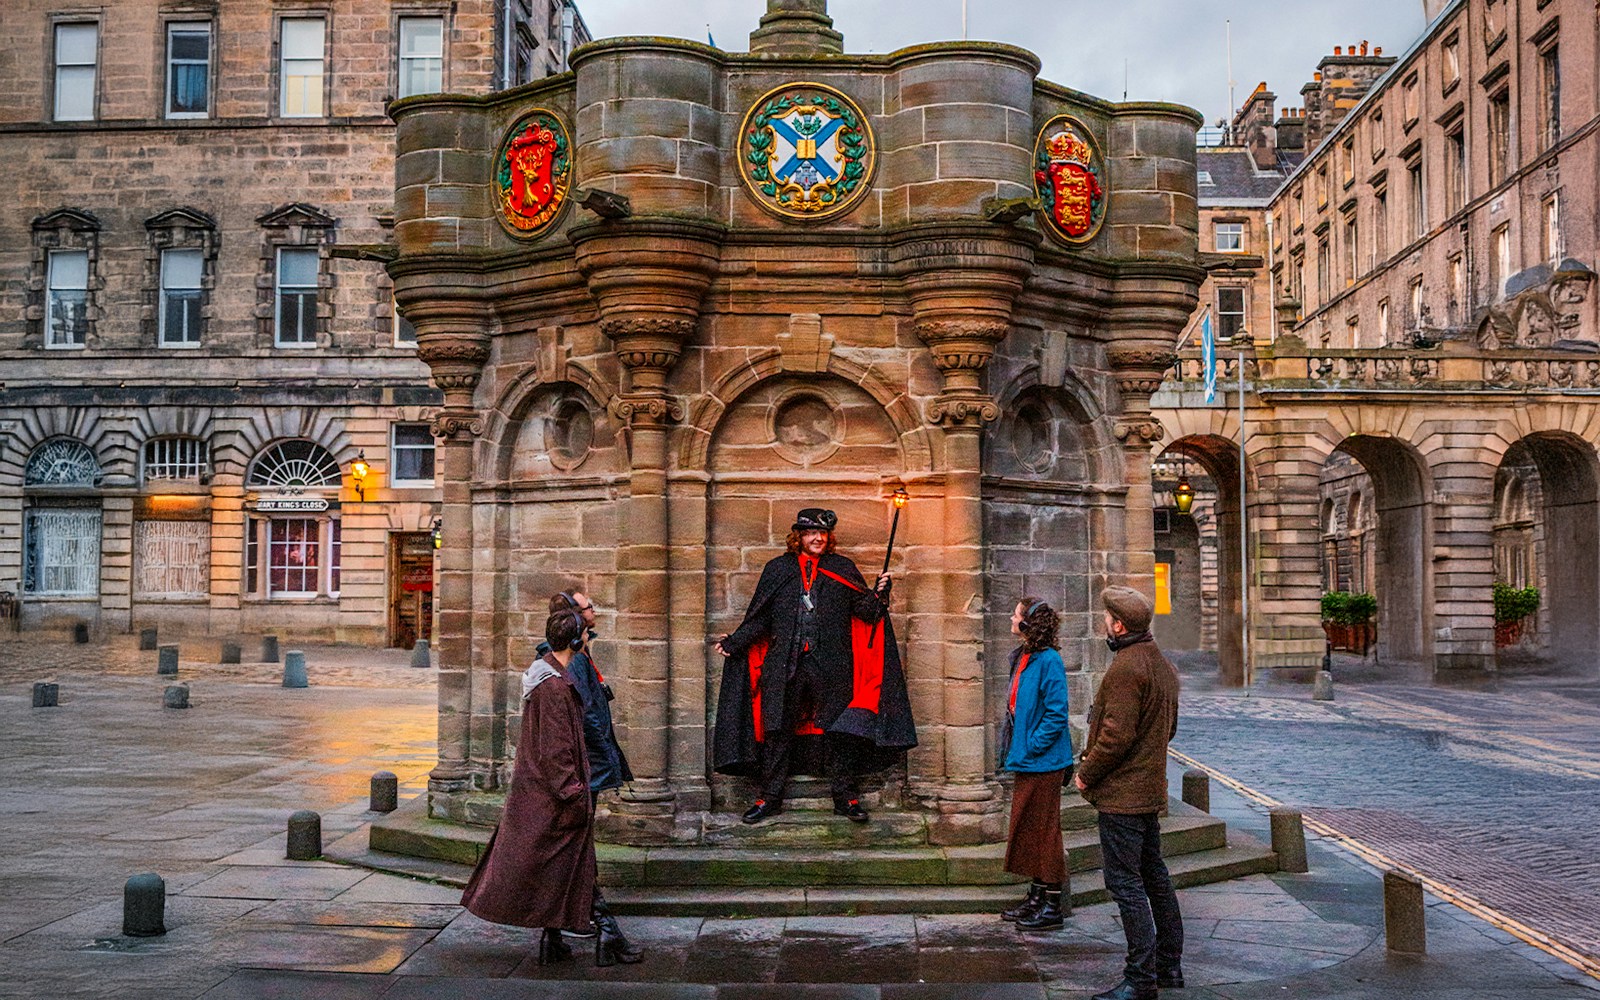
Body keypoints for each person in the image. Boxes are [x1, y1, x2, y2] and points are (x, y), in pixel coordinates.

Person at [712, 507, 917, 824]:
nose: (818, 538)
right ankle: (769, 798)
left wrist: (880, 593)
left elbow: (866, 613)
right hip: (785, 665)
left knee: (840, 731)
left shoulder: (842, 567)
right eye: (810, 533)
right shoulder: (778, 569)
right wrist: (735, 642)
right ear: (799, 537)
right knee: (778, 731)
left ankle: (845, 798)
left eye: (822, 533)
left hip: (833, 666)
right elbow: (762, 616)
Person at [460, 608, 638, 968]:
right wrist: (573, 794)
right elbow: (556, 752)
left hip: (546, 793)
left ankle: (553, 939)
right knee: (574, 863)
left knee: (560, 865)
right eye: (585, 633)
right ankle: (608, 934)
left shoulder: (552, 677)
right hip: (555, 796)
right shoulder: (555, 687)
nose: (588, 637)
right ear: (575, 640)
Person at [1074, 586, 1183, 1000]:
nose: (1104, 623)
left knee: (1126, 884)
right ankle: (1169, 965)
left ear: (1118, 625)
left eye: (1106, 618)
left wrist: (1086, 775)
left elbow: (1114, 738)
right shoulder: (1161, 664)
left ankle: (1140, 980)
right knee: (1155, 876)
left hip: (1123, 797)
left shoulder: (1126, 668)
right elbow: (1167, 730)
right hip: (1149, 792)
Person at [546, 589, 640, 964]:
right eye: (588, 607)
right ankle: (607, 932)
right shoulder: (573, 663)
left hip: (584, 770)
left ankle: (551, 935)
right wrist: (604, 763)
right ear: (575, 617)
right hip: (583, 772)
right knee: (578, 849)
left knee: (572, 846)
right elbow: (587, 720)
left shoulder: (573, 656)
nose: (594, 610)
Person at [997, 597, 1072, 931]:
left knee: (1045, 832)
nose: (1011, 618)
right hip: (1028, 760)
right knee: (1029, 830)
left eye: (1015, 614)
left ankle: (1053, 903)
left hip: (1044, 762)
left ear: (1028, 622)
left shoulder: (1050, 661)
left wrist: (1031, 747)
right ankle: (1037, 896)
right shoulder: (1025, 656)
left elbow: (1056, 714)